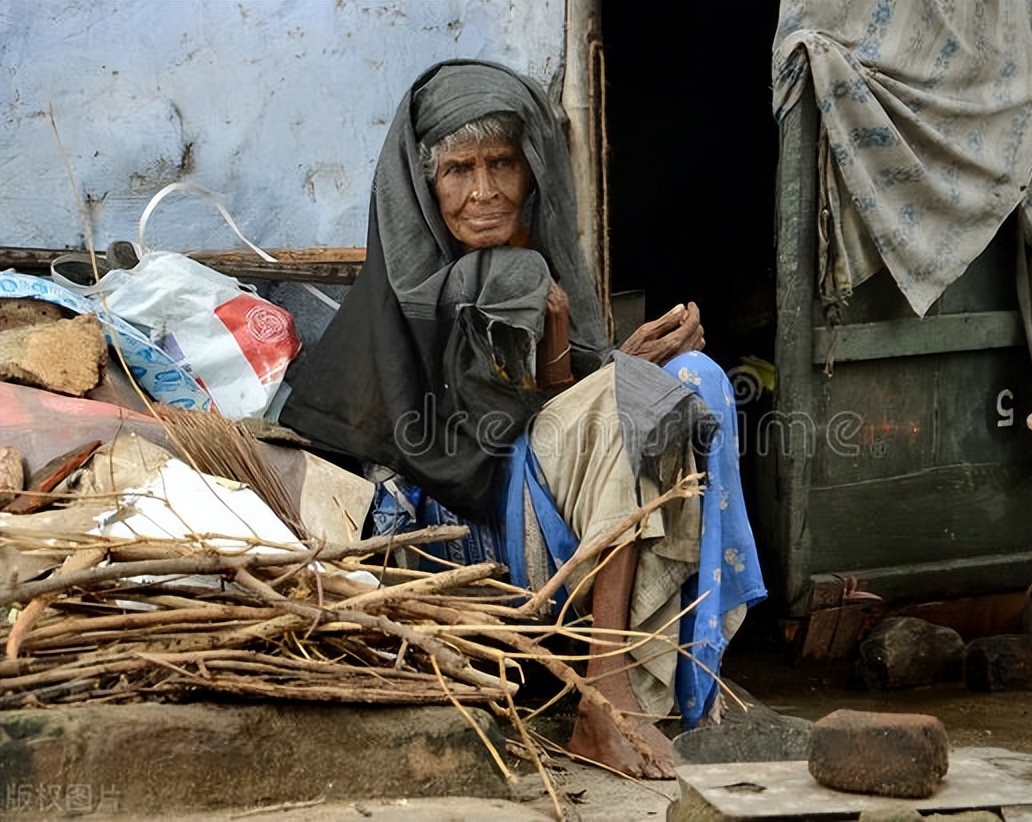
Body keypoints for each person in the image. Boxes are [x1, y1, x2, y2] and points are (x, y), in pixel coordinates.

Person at [279, 60, 765, 779]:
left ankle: (697, 678)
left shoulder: (541, 273)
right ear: (423, 182)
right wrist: (613, 380)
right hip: (455, 542)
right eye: (459, 170)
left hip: (548, 514)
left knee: (696, 381)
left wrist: (603, 367)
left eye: (503, 163)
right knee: (632, 396)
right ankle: (605, 695)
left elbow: (549, 414)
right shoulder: (412, 295)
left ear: (533, 169)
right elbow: (476, 447)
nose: (484, 192)